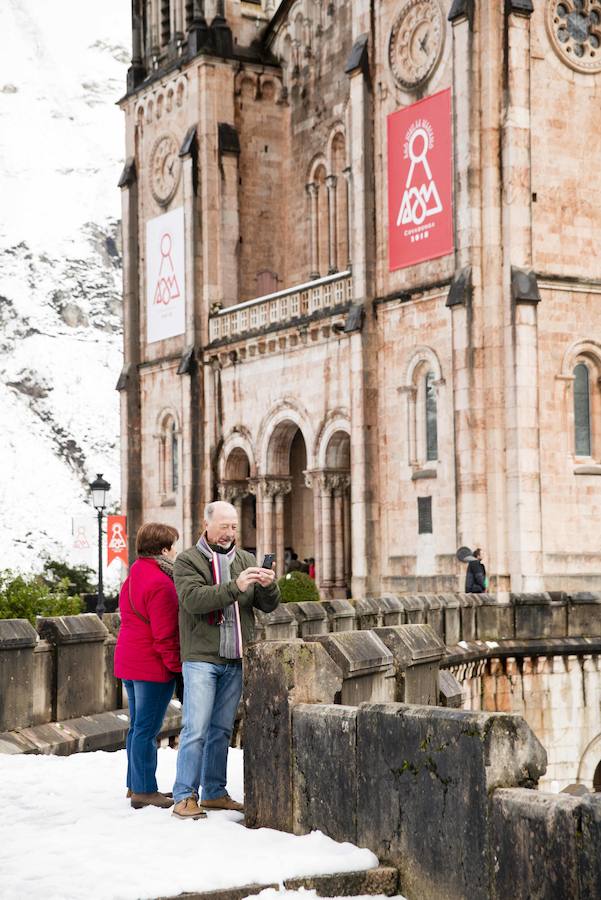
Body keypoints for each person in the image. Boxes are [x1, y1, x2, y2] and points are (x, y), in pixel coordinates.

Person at [171, 500, 281, 820]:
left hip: (236, 657)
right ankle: (184, 796)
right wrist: (236, 585)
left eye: (234, 527)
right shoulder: (188, 561)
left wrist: (269, 586)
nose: (229, 533)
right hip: (202, 658)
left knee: (221, 729)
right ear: (207, 525)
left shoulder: (245, 558)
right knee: (196, 728)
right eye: (223, 527)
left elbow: (266, 606)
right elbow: (194, 601)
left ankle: (215, 792)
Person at [114, 522, 181, 810]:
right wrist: (177, 669)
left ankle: (135, 784)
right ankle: (144, 790)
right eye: (173, 546)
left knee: (136, 727)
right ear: (164, 549)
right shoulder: (162, 583)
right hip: (150, 665)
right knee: (146, 729)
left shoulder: (133, 576)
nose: (176, 551)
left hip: (128, 660)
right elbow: (165, 634)